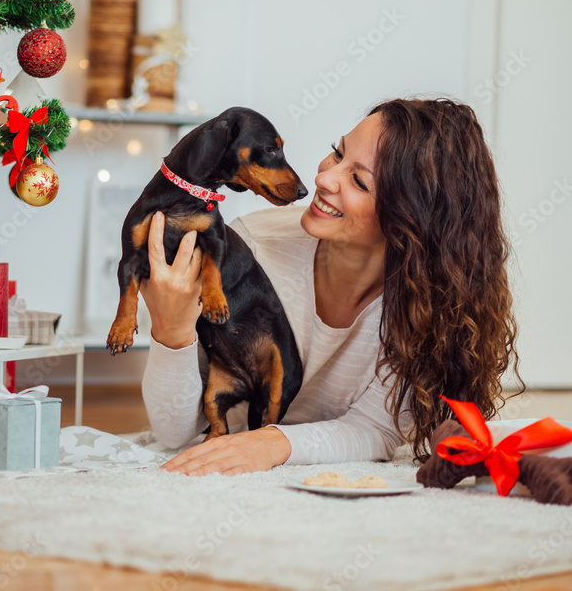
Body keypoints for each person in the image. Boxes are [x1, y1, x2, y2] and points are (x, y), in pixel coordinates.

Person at [140, 98, 521, 476]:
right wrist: (171, 332)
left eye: (358, 181)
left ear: (412, 220)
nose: (323, 178)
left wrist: (273, 443)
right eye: (337, 153)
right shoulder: (250, 247)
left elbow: (373, 430)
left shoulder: (425, 304)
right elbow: (175, 434)